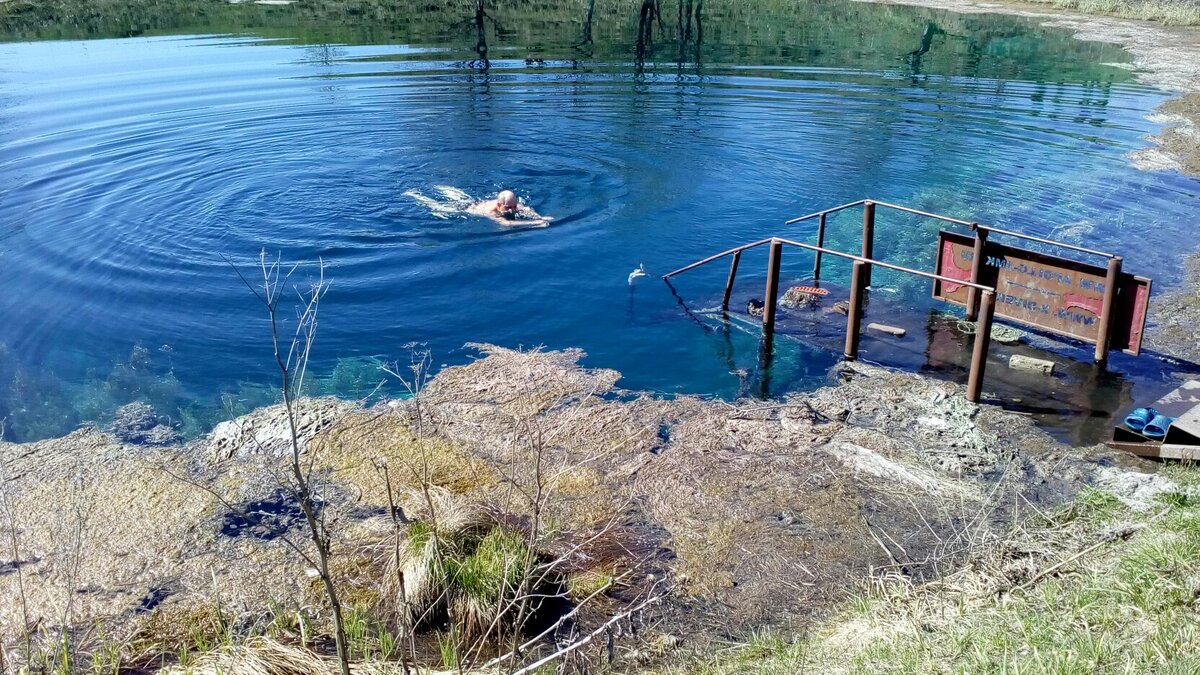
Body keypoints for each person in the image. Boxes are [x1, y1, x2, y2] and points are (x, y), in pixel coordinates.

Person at [467, 190, 552, 226]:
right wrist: (534, 223)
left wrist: (540, 217)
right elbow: (506, 223)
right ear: (499, 206)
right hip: (468, 207)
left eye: (514, 206)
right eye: (508, 208)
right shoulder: (490, 212)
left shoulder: (515, 205)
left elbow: (527, 209)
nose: (512, 210)